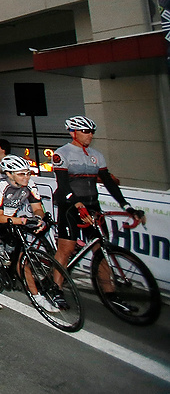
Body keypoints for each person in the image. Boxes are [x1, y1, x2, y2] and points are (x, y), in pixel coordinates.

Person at [51, 115, 144, 313]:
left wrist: (127, 207)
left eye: (92, 131)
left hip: (92, 206)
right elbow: (63, 186)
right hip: (70, 206)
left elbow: (109, 183)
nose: (90, 135)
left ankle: (110, 295)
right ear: (73, 133)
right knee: (66, 249)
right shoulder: (62, 153)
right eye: (86, 131)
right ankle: (56, 289)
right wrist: (77, 205)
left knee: (101, 250)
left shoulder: (96, 155)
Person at [0, 155, 54, 311]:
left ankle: (37, 297)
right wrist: (25, 221)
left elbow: (37, 208)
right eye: (21, 174)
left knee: (22, 259)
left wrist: (39, 218)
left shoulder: (30, 185)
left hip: (11, 218)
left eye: (28, 173)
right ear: (9, 174)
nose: (26, 177)